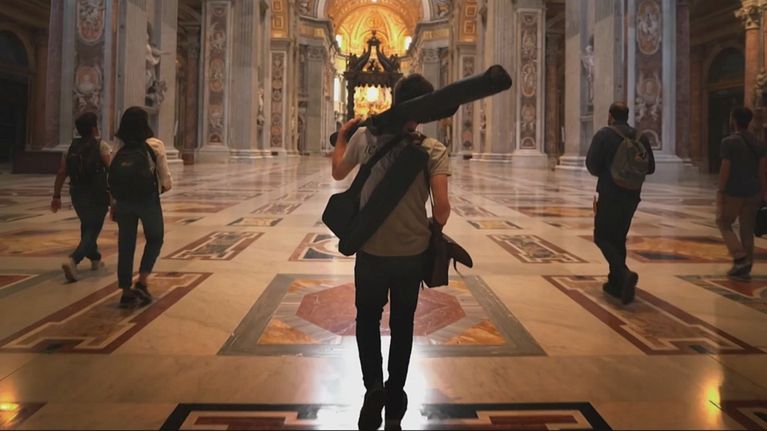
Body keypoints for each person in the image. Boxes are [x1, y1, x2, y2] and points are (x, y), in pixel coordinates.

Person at [331, 74, 451, 430]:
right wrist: (429, 228)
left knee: (367, 319)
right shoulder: (432, 149)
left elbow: (338, 172)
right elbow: (442, 209)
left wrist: (342, 137)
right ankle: (395, 393)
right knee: (403, 323)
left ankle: (373, 388)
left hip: (371, 249)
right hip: (411, 253)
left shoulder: (364, 138)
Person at [586, 102, 655, 304]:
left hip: (610, 193)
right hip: (632, 195)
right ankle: (615, 283)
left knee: (601, 236)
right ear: (627, 115)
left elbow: (592, 165)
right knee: (619, 237)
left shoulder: (604, 135)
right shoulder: (640, 137)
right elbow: (650, 167)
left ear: (610, 116)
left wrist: (608, 172)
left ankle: (623, 274)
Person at [110, 107, 172, 308]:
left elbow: (112, 176)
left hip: (123, 202)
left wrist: (114, 202)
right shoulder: (155, 145)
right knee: (155, 238)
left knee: (125, 244)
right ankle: (142, 280)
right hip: (147, 201)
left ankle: (125, 291)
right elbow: (166, 182)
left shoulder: (118, 147)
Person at [51, 112, 111, 282]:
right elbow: (111, 170)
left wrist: (56, 196)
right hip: (98, 193)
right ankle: (74, 260)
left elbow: (62, 172)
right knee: (92, 229)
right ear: (94, 129)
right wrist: (115, 195)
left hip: (77, 192)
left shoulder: (71, 148)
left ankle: (95, 258)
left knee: (87, 225)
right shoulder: (101, 146)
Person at [716, 106, 767, 281]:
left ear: (733, 120)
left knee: (723, 222)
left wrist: (721, 191)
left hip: (733, 191)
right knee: (747, 228)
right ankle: (747, 265)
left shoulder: (728, 142)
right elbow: (762, 170)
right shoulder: (758, 143)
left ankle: (739, 257)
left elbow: (725, 168)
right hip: (754, 191)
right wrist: (764, 192)